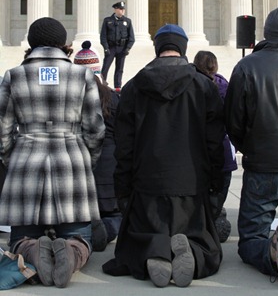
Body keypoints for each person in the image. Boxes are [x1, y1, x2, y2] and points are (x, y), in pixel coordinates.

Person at [103, 24, 225, 288]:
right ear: (182, 48)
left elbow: (124, 145)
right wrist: (215, 182)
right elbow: (215, 141)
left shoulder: (134, 86)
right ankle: (190, 251)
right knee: (199, 237)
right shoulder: (204, 86)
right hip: (191, 184)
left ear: (158, 48)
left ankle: (154, 250)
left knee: (142, 234)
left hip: (147, 184)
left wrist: (122, 187)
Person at [0, 17, 105, 288]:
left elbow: (2, 130)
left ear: (31, 43)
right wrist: (86, 160)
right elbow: (95, 129)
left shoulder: (13, 75)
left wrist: (13, 158)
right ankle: (70, 253)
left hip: (26, 156)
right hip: (71, 154)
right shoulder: (84, 75)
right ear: (63, 43)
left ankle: (33, 251)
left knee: (21, 238)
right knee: (80, 236)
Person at [224, 7, 278, 290]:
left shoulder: (247, 67)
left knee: (251, 237)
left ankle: (273, 253)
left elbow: (233, 120)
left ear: (266, 32)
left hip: (262, 164)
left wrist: (248, 148)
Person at [74, 41, 122, 250]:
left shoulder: (72, 97)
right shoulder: (112, 97)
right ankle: (107, 229)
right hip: (109, 171)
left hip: (81, 169)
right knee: (116, 215)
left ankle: (89, 232)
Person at [193, 51, 237, 243]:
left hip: (196, 153)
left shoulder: (191, 84)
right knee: (217, 199)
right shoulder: (223, 85)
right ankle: (212, 221)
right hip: (223, 152)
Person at [100, 1, 135, 90]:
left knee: (119, 69)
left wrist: (128, 48)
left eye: (123, 9)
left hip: (122, 48)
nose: (122, 11)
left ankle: (118, 87)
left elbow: (131, 37)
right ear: (115, 9)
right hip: (111, 48)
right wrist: (106, 48)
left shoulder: (127, 21)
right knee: (105, 67)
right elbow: (103, 36)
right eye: (120, 9)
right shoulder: (108, 20)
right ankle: (102, 85)